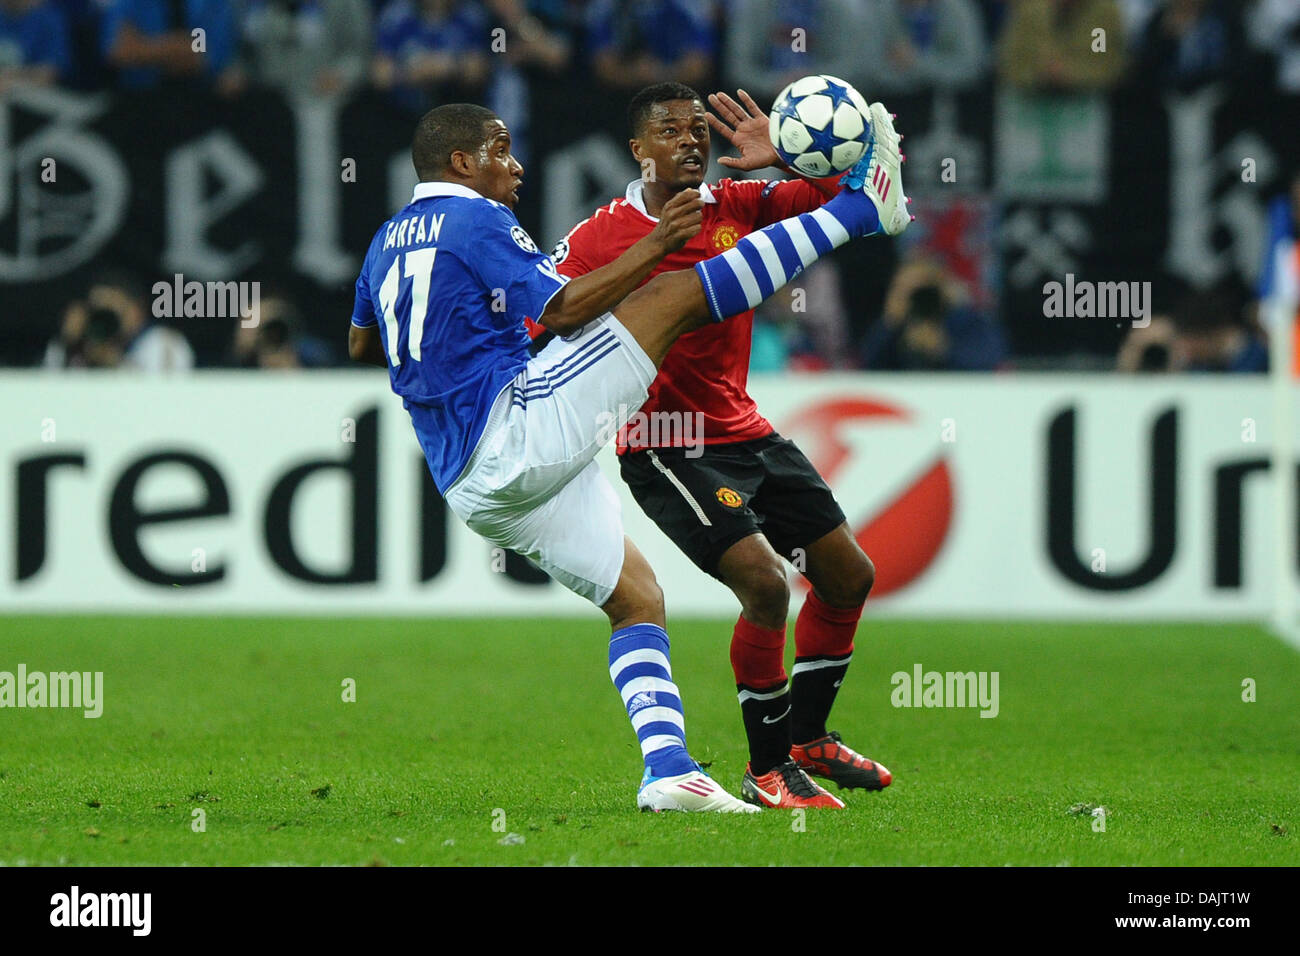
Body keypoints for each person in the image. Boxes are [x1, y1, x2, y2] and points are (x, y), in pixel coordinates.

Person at [347, 100, 909, 812]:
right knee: (672, 293)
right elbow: (561, 309)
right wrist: (651, 249)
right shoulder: (477, 218)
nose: (516, 165)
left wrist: (456, 348)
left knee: (635, 599)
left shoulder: (387, 239)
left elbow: (363, 345)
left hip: (468, 480)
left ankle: (670, 771)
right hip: (521, 426)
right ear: (462, 163)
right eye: (500, 149)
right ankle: (864, 214)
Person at [546, 82, 904, 810]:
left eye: (696, 129)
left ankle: (808, 740)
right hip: (663, 445)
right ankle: (767, 770)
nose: (690, 141)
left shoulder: (736, 206)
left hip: (745, 429)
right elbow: (549, 316)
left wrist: (792, 162)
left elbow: (855, 209)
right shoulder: (595, 239)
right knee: (767, 586)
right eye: (670, 131)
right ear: (637, 150)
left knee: (848, 577)